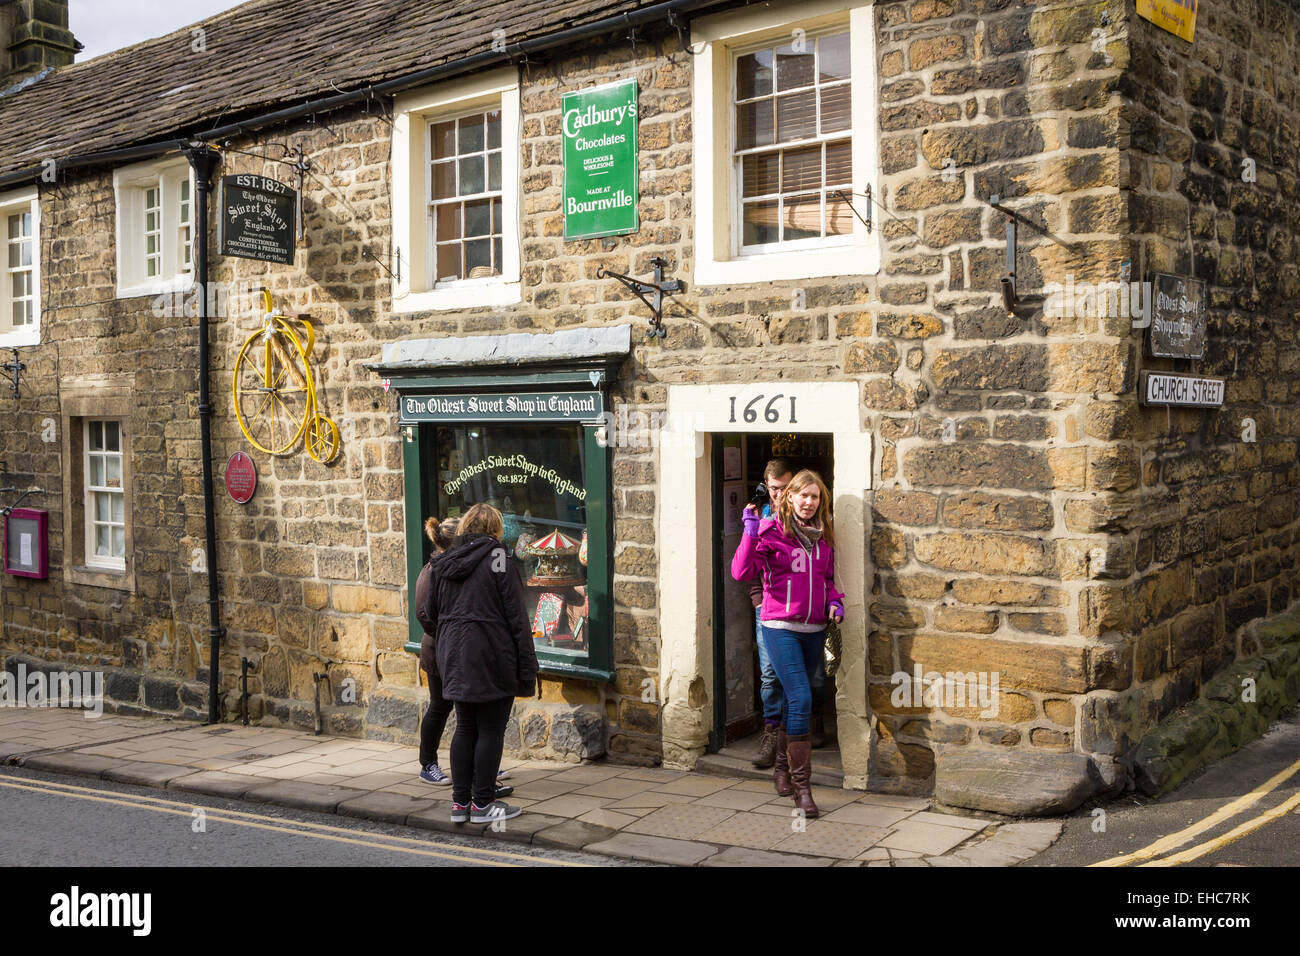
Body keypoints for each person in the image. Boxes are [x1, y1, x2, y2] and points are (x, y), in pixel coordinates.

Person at [731, 469, 843, 818]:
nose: (809, 502)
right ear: (790, 497)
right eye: (803, 495)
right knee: (802, 697)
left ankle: (781, 768)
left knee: (794, 697)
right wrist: (749, 533)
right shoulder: (770, 531)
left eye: (815, 497)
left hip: (813, 630)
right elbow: (740, 571)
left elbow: (826, 579)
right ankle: (802, 789)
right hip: (779, 625)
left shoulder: (824, 539)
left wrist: (834, 601)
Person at [426, 503, 538, 825]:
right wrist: (526, 665)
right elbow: (517, 616)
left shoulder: (443, 561)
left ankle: (460, 804)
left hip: (453, 655)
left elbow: (432, 614)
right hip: (491, 654)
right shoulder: (499, 557)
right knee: (490, 729)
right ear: (494, 529)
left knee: (465, 726)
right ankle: (483, 804)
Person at [414, 517, 513, 791]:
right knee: (440, 706)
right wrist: (449, 636)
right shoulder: (433, 570)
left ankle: (482, 769)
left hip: (457, 650)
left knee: (468, 716)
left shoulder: (464, 565)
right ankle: (428, 764)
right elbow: (424, 614)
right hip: (439, 650)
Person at [744, 459, 792, 769]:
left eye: (784, 488)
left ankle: (800, 730)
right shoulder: (760, 515)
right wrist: (756, 597)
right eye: (773, 488)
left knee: (808, 677)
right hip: (768, 607)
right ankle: (772, 734)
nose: (777, 494)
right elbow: (746, 560)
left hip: (800, 607)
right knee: (769, 675)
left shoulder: (806, 512)